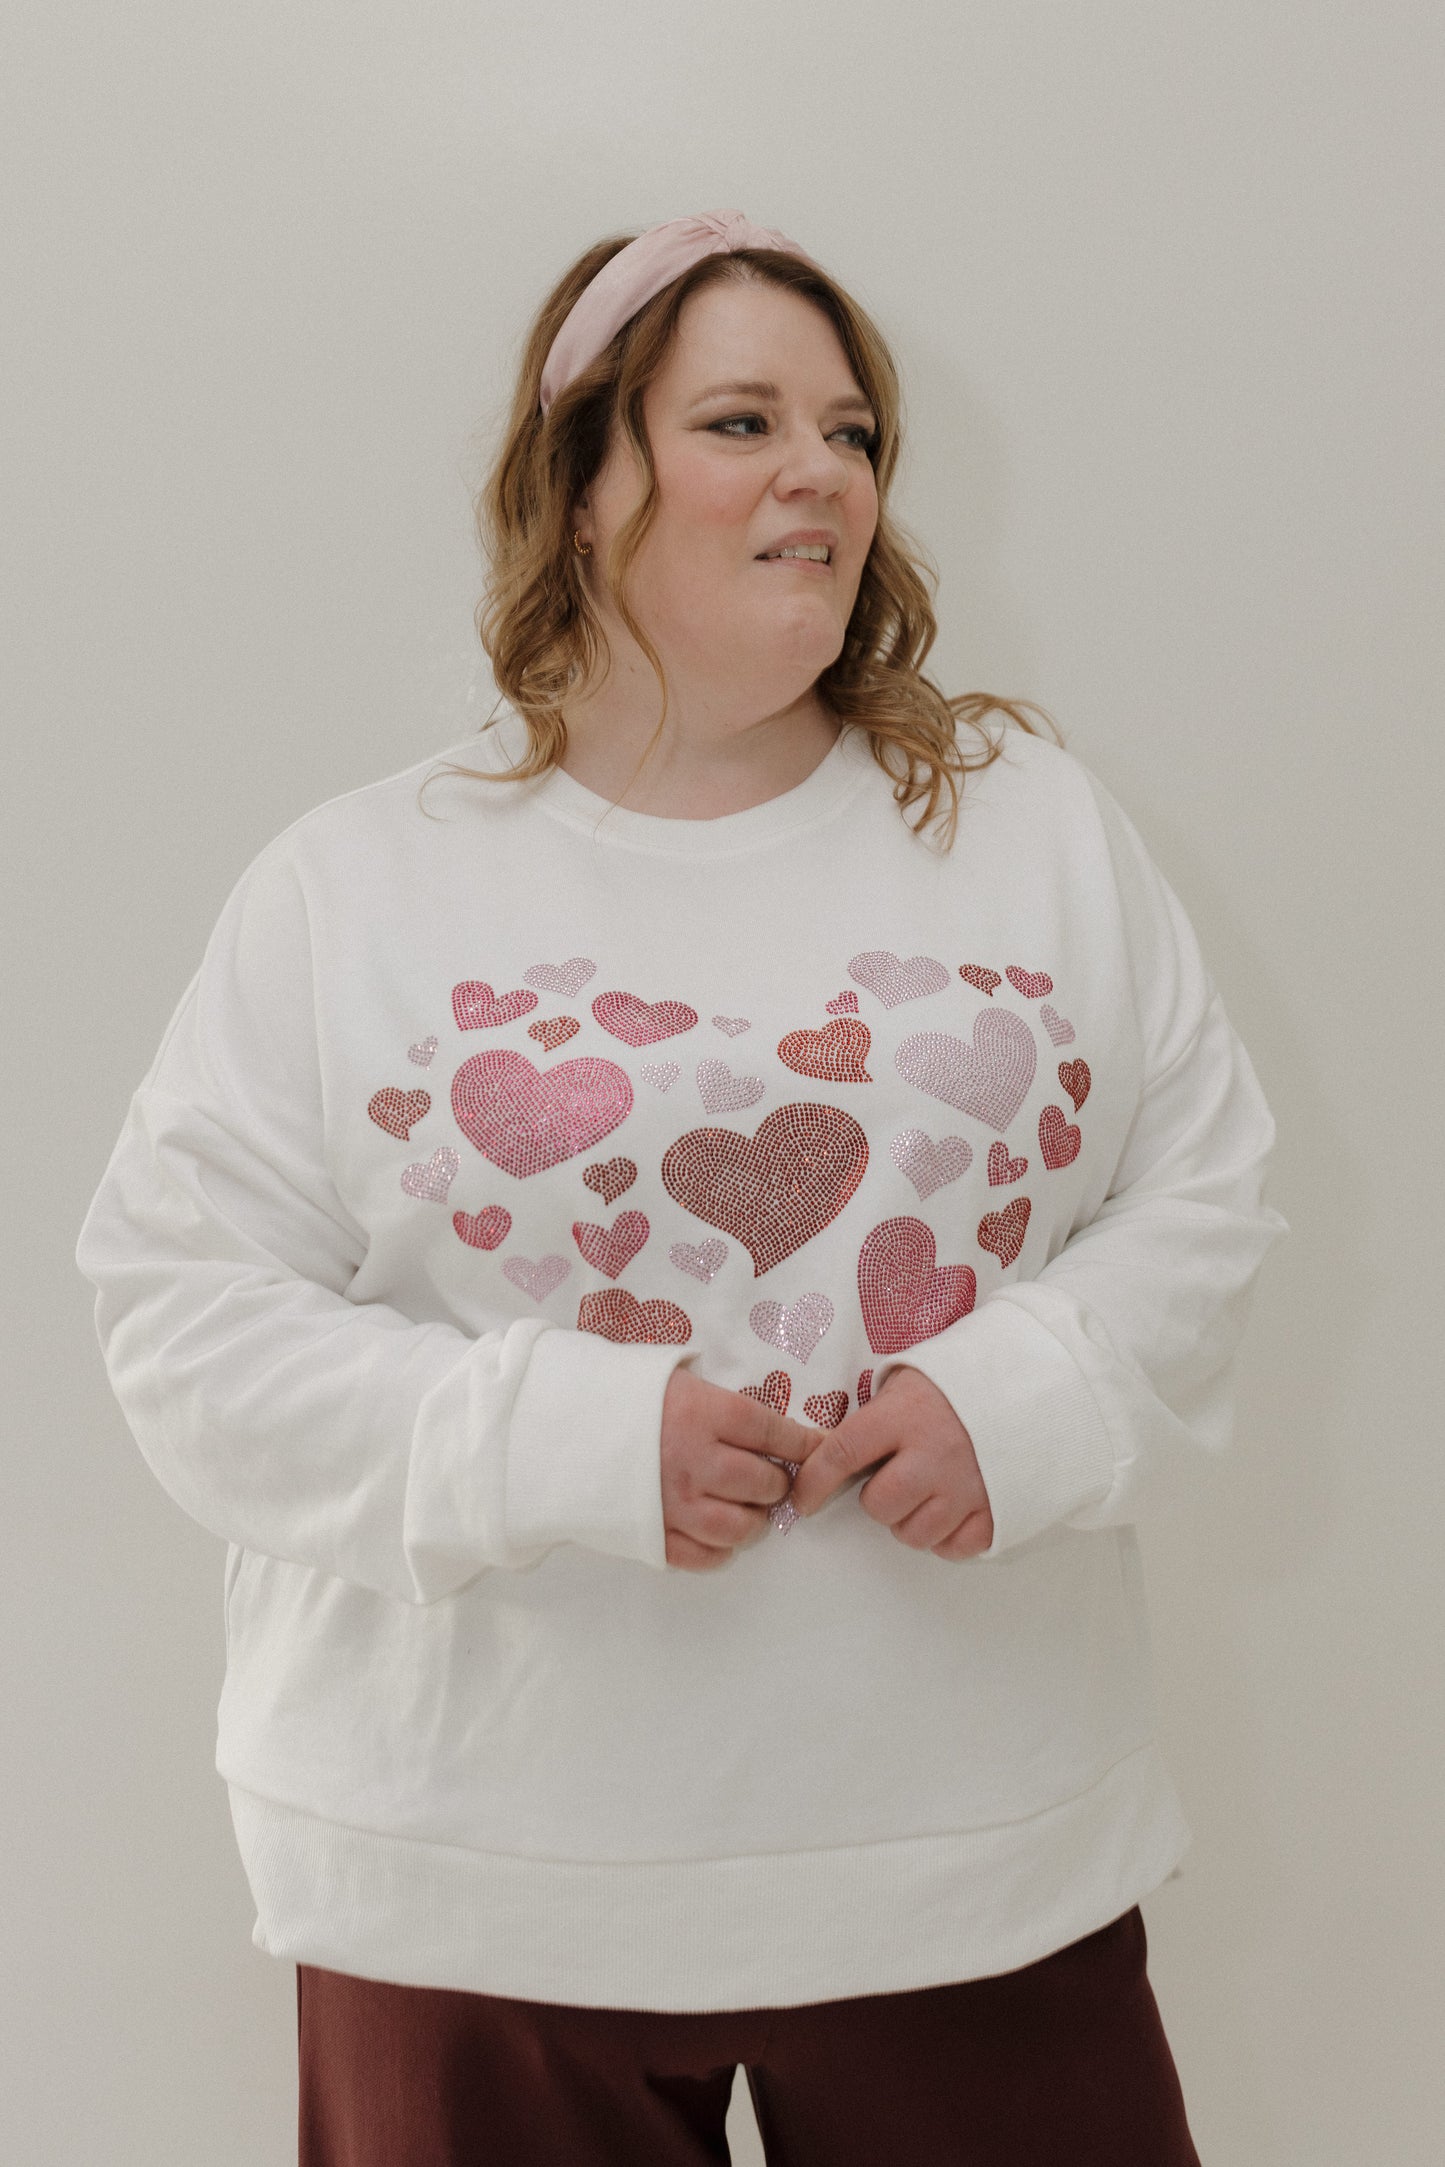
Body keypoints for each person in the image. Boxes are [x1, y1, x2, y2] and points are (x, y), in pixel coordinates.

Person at [74, 207, 1288, 2164]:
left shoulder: (1030, 833)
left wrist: (1030, 1399)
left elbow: (1209, 1191)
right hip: (478, 1876)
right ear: (581, 486)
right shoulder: (353, 884)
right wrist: (549, 1445)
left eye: (855, 430)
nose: (824, 469)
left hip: (967, 1859)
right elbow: (180, 1317)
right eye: (741, 420)